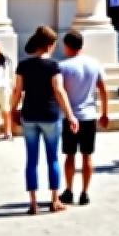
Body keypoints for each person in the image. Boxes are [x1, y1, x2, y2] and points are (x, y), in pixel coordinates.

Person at [10, 25, 78, 214]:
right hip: (50, 115)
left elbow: (17, 91)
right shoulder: (53, 65)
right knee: (52, 158)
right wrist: (70, 114)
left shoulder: (23, 65)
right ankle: (54, 200)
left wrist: (12, 110)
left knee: (31, 159)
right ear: (50, 45)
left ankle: (33, 203)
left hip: (29, 115)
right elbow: (59, 90)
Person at [59, 31, 110, 206]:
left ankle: (69, 189)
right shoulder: (94, 64)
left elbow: (60, 91)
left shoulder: (63, 67)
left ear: (67, 46)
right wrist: (105, 113)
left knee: (70, 155)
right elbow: (103, 89)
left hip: (70, 116)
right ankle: (85, 192)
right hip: (89, 116)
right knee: (87, 156)